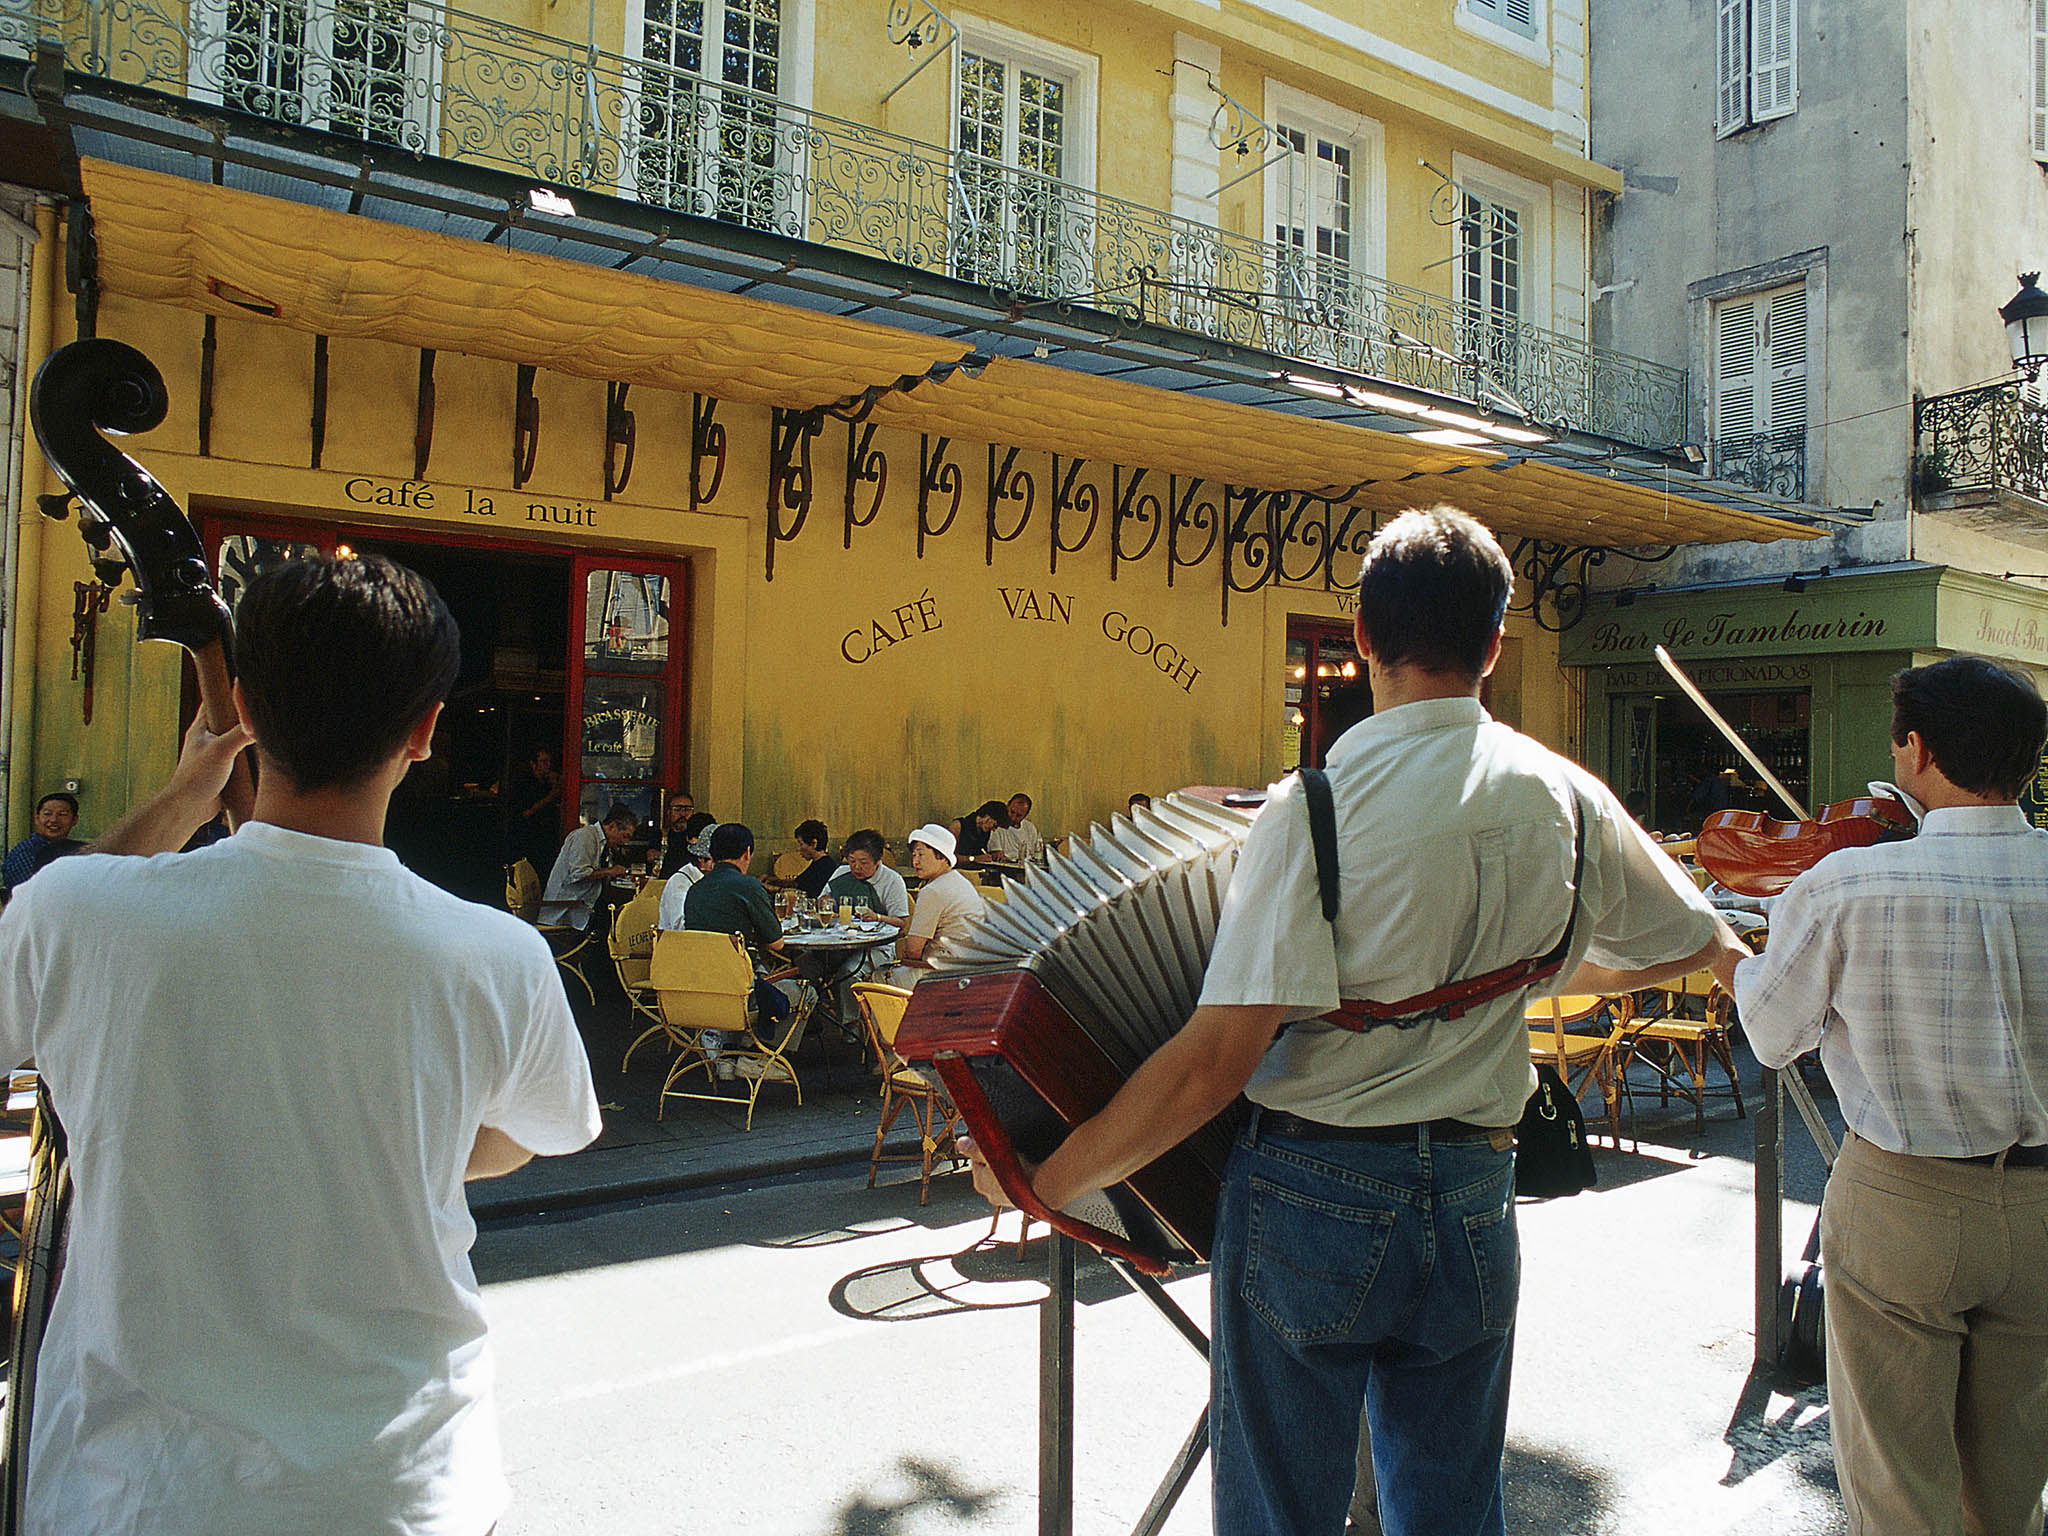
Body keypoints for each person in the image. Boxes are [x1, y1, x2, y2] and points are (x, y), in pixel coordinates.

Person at [966, 507, 1744, 1536]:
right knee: (1450, 1508)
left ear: (1363, 639)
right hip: (1473, 1188)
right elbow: (1687, 941)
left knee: (1281, 1512)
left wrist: (1048, 1179)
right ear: (1494, 648)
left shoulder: (1313, 807)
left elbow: (1213, 1064)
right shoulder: (1563, 794)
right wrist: (1523, 976)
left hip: (1311, 1192)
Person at [0, 553, 602, 1536]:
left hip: (136, 1495)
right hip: (403, 1489)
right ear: (425, 730)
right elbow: (523, 1137)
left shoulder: (79, 912)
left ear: (241, 705)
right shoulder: (497, 955)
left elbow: (43, 922)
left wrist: (186, 796)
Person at [1716, 655, 2048, 1536]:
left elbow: (1771, 1034)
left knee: (1899, 1483)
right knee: (2011, 1484)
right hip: (2046, 1202)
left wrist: (1728, 954)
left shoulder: (1849, 884)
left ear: (1917, 751)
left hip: (1905, 1195)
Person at [682, 820, 795, 1046]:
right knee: (805, 993)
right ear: (747, 853)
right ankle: (758, 1056)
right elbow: (777, 944)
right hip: (739, 989)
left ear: (712, 855)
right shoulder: (748, 886)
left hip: (698, 987)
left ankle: (731, 1050)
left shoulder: (694, 890)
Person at [898, 823, 987, 979]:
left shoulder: (933, 891)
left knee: (875, 978)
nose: (915, 862)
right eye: (913, 855)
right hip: (970, 969)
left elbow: (913, 951)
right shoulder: (959, 880)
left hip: (942, 974)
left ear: (941, 856)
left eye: (921, 855)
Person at [540, 802, 637, 930]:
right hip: (568, 907)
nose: (625, 842)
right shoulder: (585, 837)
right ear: (612, 826)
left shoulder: (602, 843)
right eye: (625, 836)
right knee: (616, 921)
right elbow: (579, 874)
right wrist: (610, 871)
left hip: (585, 902)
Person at [2, 791, 87, 891]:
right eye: (47, 814)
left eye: (62, 814)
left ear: (75, 820)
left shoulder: (75, 850)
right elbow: (28, 892)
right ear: (37, 818)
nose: (54, 820)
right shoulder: (27, 852)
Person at [506, 745, 563, 876]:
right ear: (533, 764)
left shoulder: (547, 782)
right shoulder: (524, 783)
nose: (548, 765)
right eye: (543, 762)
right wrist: (551, 796)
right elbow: (527, 812)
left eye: (549, 762)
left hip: (546, 836)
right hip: (527, 836)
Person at [656, 822, 717, 932]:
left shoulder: (713, 880)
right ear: (701, 859)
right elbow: (680, 927)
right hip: (678, 945)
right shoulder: (680, 882)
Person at [767, 819, 835, 898]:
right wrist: (772, 880)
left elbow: (805, 893)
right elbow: (798, 883)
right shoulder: (819, 863)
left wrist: (775, 889)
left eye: (801, 844)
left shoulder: (825, 867)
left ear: (814, 843)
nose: (798, 849)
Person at [986, 792, 1043, 863]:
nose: (1013, 818)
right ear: (1007, 805)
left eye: (1019, 816)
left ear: (1026, 815)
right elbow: (996, 854)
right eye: (1012, 812)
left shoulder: (1030, 828)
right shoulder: (996, 826)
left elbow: (1037, 854)